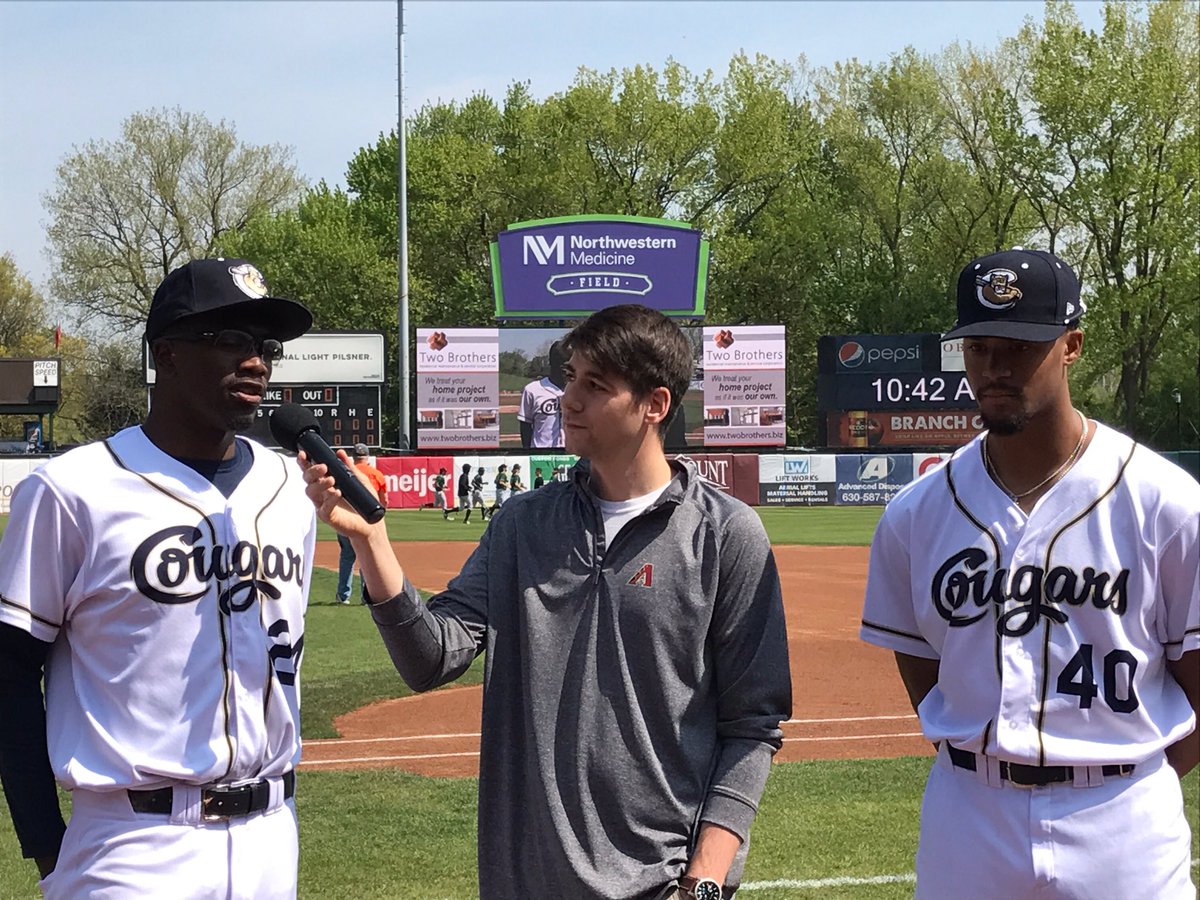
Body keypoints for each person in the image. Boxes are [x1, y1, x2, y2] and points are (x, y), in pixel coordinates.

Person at [301, 303, 791, 900]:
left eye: (595, 385)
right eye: (569, 379)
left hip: (663, 886)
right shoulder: (521, 525)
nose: (569, 399)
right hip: (523, 882)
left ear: (655, 405)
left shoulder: (725, 534)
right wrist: (371, 540)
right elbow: (430, 659)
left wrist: (705, 880)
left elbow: (753, 727)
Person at [860, 248, 1199, 899]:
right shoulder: (916, 515)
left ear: (1071, 346)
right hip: (969, 815)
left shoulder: (1164, 502)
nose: (996, 367)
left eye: (1020, 346)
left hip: (1122, 818)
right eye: (980, 346)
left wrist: (1128, 779)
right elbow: (929, 676)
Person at [0, 258, 317, 898]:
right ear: (166, 356)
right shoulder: (71, 491)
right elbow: (8, 676)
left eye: (265, 346)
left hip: (270, 837)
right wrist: (46, 845)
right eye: (231, 341)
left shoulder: (289, 489)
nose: (256, 362)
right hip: (134, 846)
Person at [336, 444, 389, 602]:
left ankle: (343, 596)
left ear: (353, 457)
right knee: (368, 559)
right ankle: (367, 597)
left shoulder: (345, 471)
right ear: (367, 456)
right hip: (368, 520)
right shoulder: (376, 474)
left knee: (347, 557)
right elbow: (384, 500)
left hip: (346, 518)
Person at [518, 339, 568, 448]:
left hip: (572, 455)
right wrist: (529, 454)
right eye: (561, 367)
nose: (565, 372)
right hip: (541, 454)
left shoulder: (580, 389)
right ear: (551, 363)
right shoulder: (532, 390)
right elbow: (525, 426)